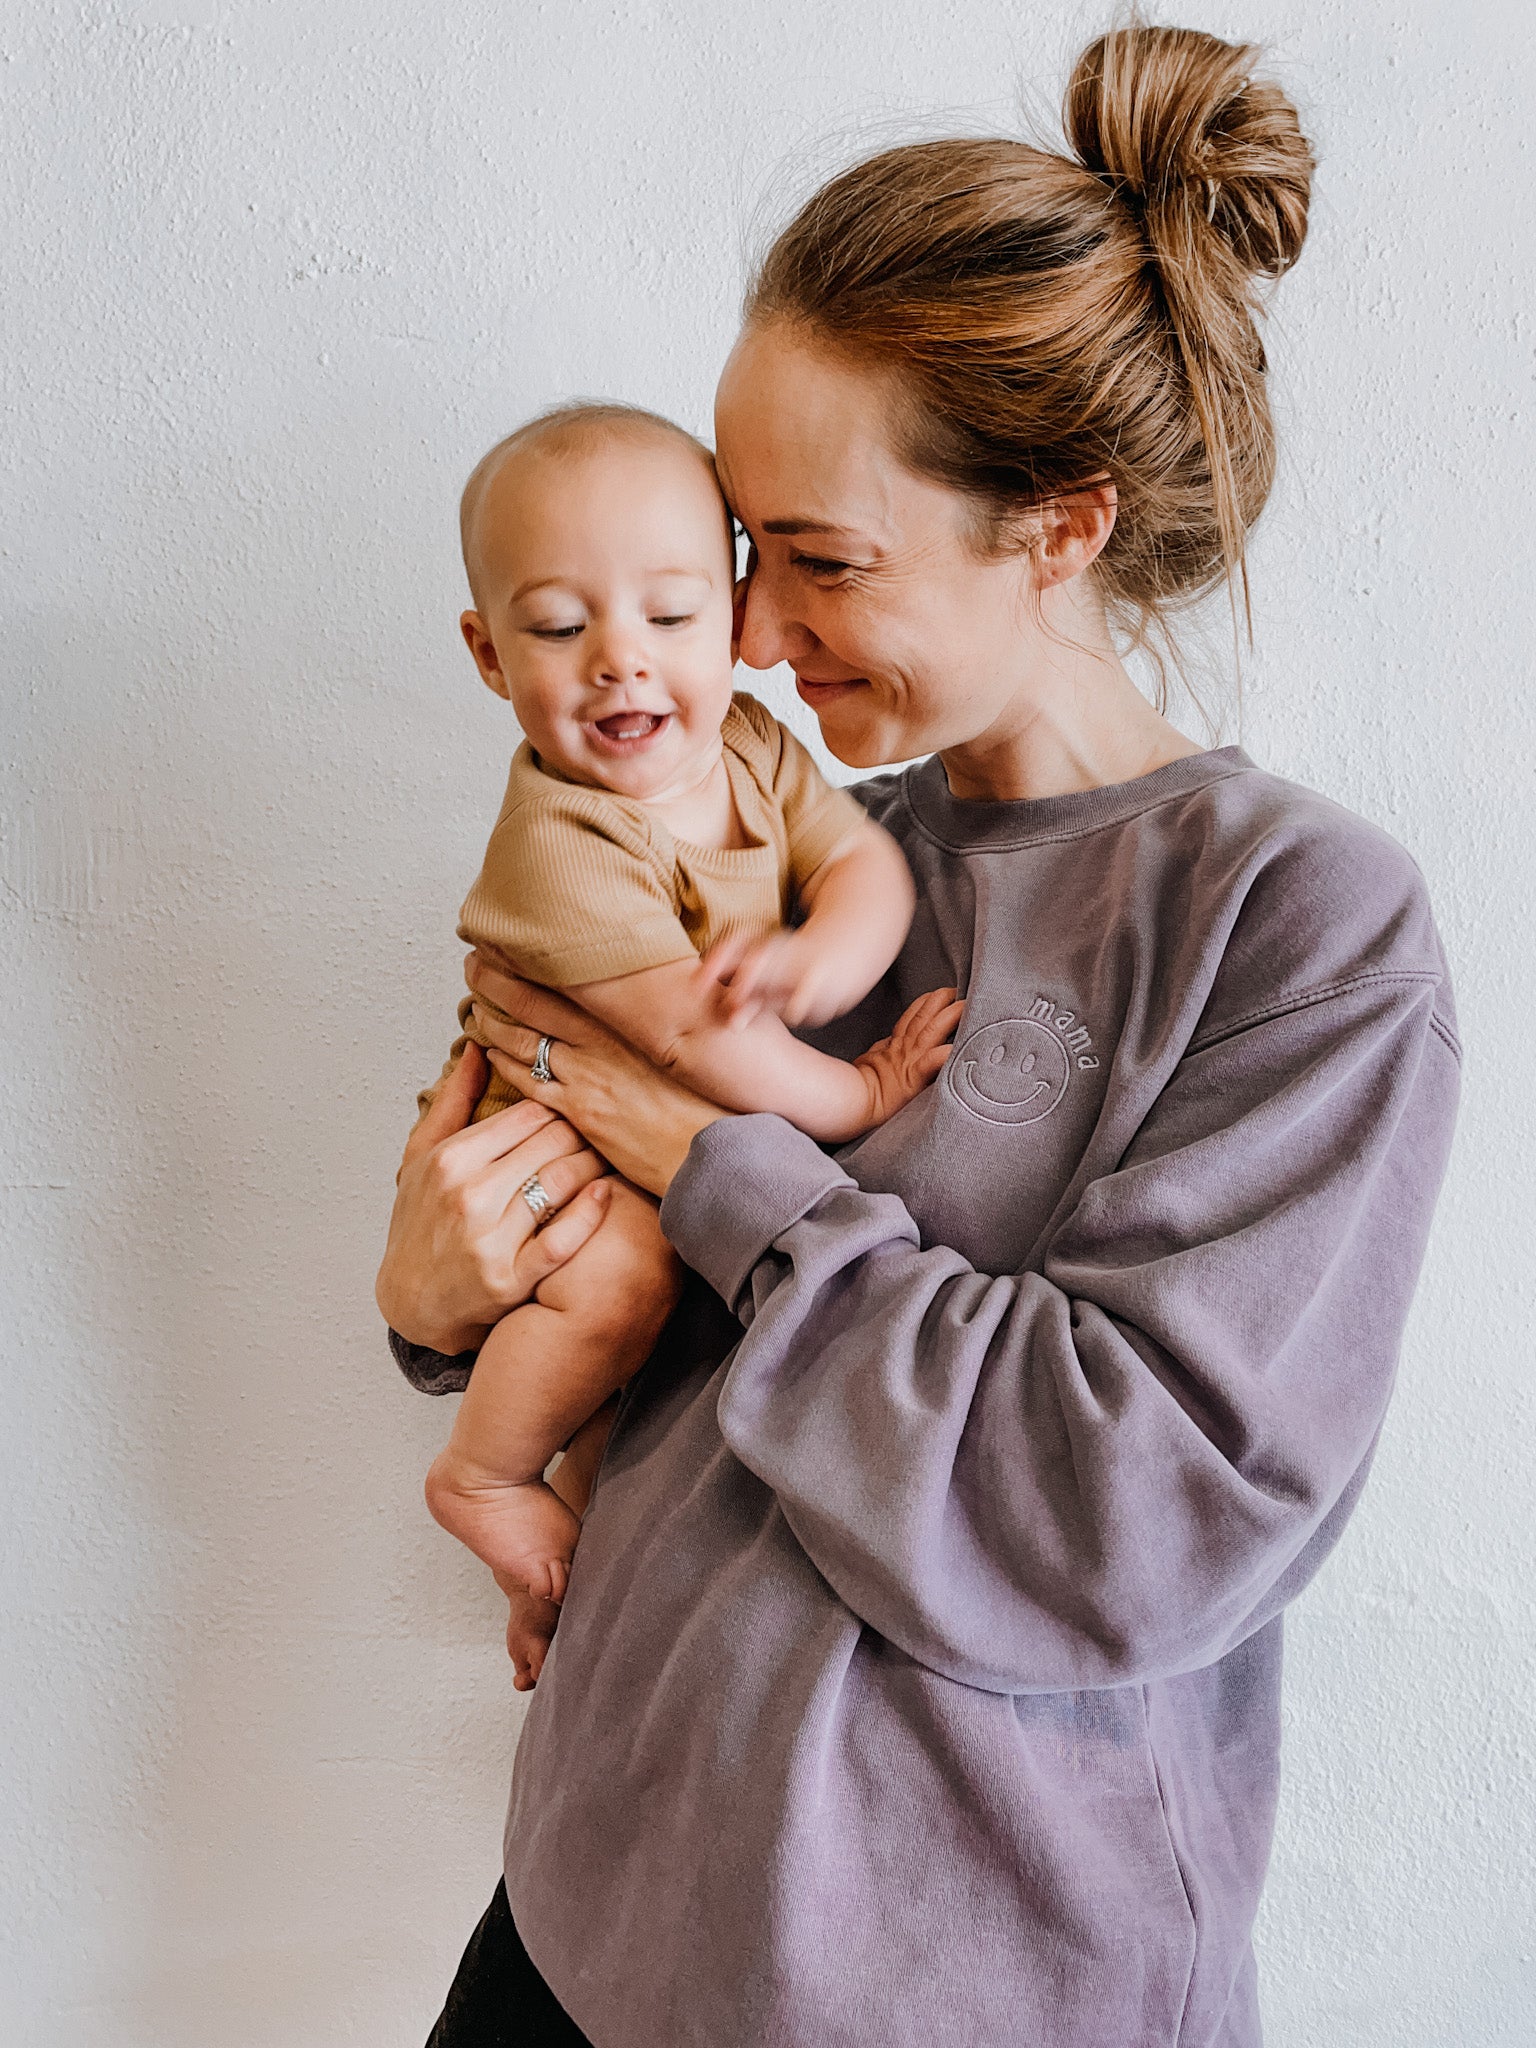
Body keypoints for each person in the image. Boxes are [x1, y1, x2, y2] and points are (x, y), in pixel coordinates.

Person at [376, 24, 1460, 2046]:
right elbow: (601, 1278)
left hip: (937, 1988)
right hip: (580, 1917)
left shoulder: (1299, 928)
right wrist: (441, 1290)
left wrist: (722, 1167)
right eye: (741, 560)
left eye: (821, 561)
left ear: (1055, 523)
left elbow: (1120, 1503)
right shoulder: (792, 862)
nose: (753, 648)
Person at [416, 404, 958, 1668]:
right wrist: (862, 1089)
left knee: (640, 1420)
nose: (622, 660)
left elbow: (862, 865)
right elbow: (697, 1045)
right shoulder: (559, 844)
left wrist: (826, 949)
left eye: (669, 616)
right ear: (491, 654)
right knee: (619, 1293)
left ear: (727, 615)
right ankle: (484, 1478)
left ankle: (571, 1587)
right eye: (560, 627)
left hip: (663, 1183)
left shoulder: (755, 747)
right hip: (557, 1167)